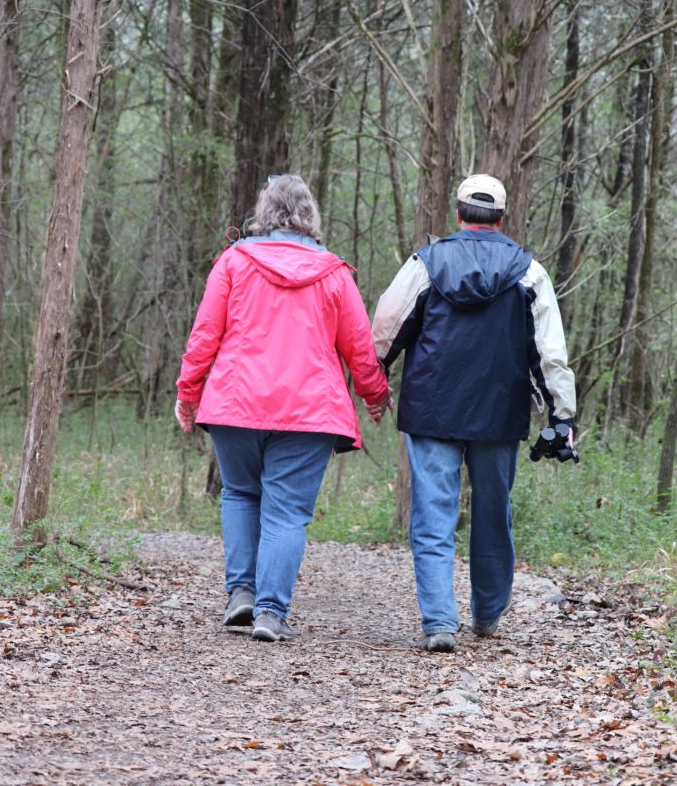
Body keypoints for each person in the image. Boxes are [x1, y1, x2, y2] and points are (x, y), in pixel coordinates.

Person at [175, 174, 390, 643]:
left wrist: (189, 394)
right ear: (310, 217)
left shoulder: (233, 262)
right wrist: (375, 395)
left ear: (263, 213)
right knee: (287, 512)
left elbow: (204, 336)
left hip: (235, 403)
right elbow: (358, 347)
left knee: (239, 494)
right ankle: (270, 613)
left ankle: (242, 595)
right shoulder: (333, 273)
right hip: (310, 411)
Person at [370, 173, 576, 653]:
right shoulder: (530, 272)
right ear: (502, 217)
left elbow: (386, 324)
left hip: (431, 406)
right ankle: (486, 614)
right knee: (492, 512)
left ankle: (440, 623)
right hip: (499, 409)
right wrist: (560, 417)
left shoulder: (425, 263)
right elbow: (550, 355)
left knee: (432, 514)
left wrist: (375, 379)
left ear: (458, 212)